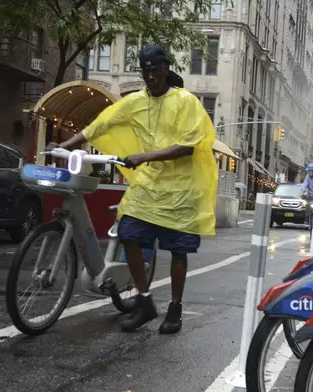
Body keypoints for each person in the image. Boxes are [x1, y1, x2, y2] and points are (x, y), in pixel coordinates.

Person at [46, 43, 218, 334]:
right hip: (148, 185)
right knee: (129, 233)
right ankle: (145, 301)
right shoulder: (135, 101)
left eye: (155, 70)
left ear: (166, 70)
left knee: (177, 251)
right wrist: (61, 146)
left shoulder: (186, 100)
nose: (151, 76)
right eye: (146, 71)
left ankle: (175, 309)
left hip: (181, 188)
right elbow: (99, 125)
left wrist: (144, 157)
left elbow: (188, 146)